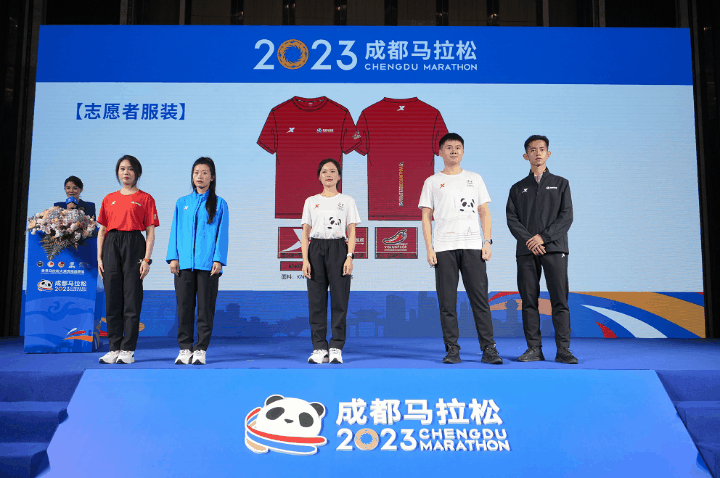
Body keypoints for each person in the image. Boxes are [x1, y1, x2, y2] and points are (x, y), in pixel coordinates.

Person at [419, 133, 502, 365]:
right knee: (447, 303)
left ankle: (489, 349)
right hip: (444, 248)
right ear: (440, 152)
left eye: (457, 147)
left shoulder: (474, 178)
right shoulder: (432, 182)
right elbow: (426, 217)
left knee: (480, 301)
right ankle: (452, 349)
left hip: (473, 247)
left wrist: (487, 241)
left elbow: (484, 211)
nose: (453, 151)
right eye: (448, 147)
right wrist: (429, 248)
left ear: (463, 152)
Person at [506, 135, 577, 364]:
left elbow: (566, 217)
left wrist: (543, 238)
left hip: (554, 249)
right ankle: (534, 349)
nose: (537, 153)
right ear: (526, 155)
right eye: (533, 149)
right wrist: (530, 240)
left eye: (542, 149)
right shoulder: (518, 188)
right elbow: (512, 219)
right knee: (529, 301)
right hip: (527, 251)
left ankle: (563, 350)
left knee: (559, 300)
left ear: (548, 154)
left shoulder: (561, 183)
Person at [96, 155, 159, 364]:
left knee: (131, 299)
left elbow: (150, 232)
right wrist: (99, 257)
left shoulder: (146, 198)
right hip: (111, 244)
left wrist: (147, 259)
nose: (126, 172)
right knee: (112, 299)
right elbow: (102, 230)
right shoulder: (109, 198)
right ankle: (114, 347)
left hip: (134, 244)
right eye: (122, 168)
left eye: (130, 168)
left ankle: (128, 350)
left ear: (137, 173)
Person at [167, 157, 229, 365]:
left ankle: (201, 349)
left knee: (205, 308)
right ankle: (185, 348)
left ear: (212, 177)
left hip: (207, 265)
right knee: (184, 307)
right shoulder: (182, 203)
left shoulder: (220, 204)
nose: (199, 176)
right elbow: (175, 231)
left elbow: (222, 234)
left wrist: (218, 259)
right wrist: (173, 257)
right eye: (196, 172)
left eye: (204, 173)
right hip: (183, 265)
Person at [301, 158, 360, 364]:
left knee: (339, 301)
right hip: (316, 249)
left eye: (333, 171)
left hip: (339, 249)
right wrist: (305, 260)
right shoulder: (311, 201)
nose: (328, 174)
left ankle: (336, 347)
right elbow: (305, 233)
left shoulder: (347, 201)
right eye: (324, 171)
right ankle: (319, 348)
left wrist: (349, 256)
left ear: (339, 176)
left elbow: (352, 231)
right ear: (319, 176)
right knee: (316, 301)